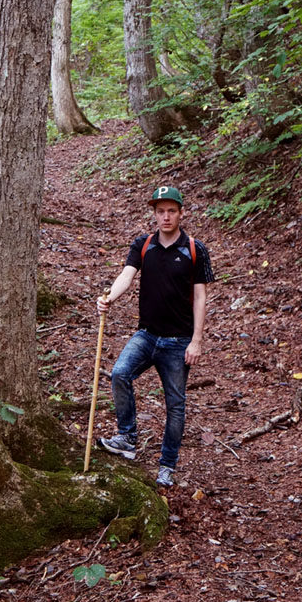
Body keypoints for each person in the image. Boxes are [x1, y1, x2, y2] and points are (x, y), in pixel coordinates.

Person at [96, 185, 215, 487]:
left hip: (178, 341)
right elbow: (127, 274)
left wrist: (197, 340)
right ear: (155, 214)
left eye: (171, 211)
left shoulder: (194, 249)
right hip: (146, 335)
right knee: (120, 373)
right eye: (160, 211)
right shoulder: (143, 244)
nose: (165, 216)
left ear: (181, 213)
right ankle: (127, 437)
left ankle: (167, 465)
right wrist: (109, 296)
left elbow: (201, 297)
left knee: (175, 404)